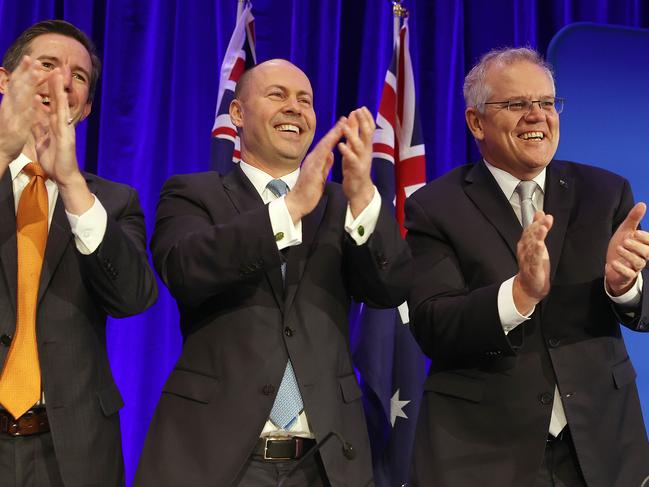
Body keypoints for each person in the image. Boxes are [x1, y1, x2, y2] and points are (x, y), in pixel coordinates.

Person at [134, 59, 411, 487]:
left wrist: (363, 196)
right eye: (277, 95)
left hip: (324, 463)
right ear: (239, 115)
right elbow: (184, 269)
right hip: (217, 460)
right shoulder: (193, 193)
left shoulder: (342, 205)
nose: (295, 108)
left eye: (305, 100)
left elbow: (390, 287)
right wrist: (290, 208)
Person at [405, 47, 649, 487]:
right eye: (517, 104)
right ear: (476, 122)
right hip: (484, 451)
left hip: (601, 446)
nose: (537, 116)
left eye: (546, 103)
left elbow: (644, 309)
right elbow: (431, 323)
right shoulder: (435, 206)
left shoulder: (606, 192)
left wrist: (624, 285)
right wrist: (519, 296)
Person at [0, 20, 157, 487]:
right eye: (46, 65)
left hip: (71, 449)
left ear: (85, 108)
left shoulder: (113, 201)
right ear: (6, 81)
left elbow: (133, 298)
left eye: (79, 76)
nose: (61, 81)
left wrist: (71, 186)